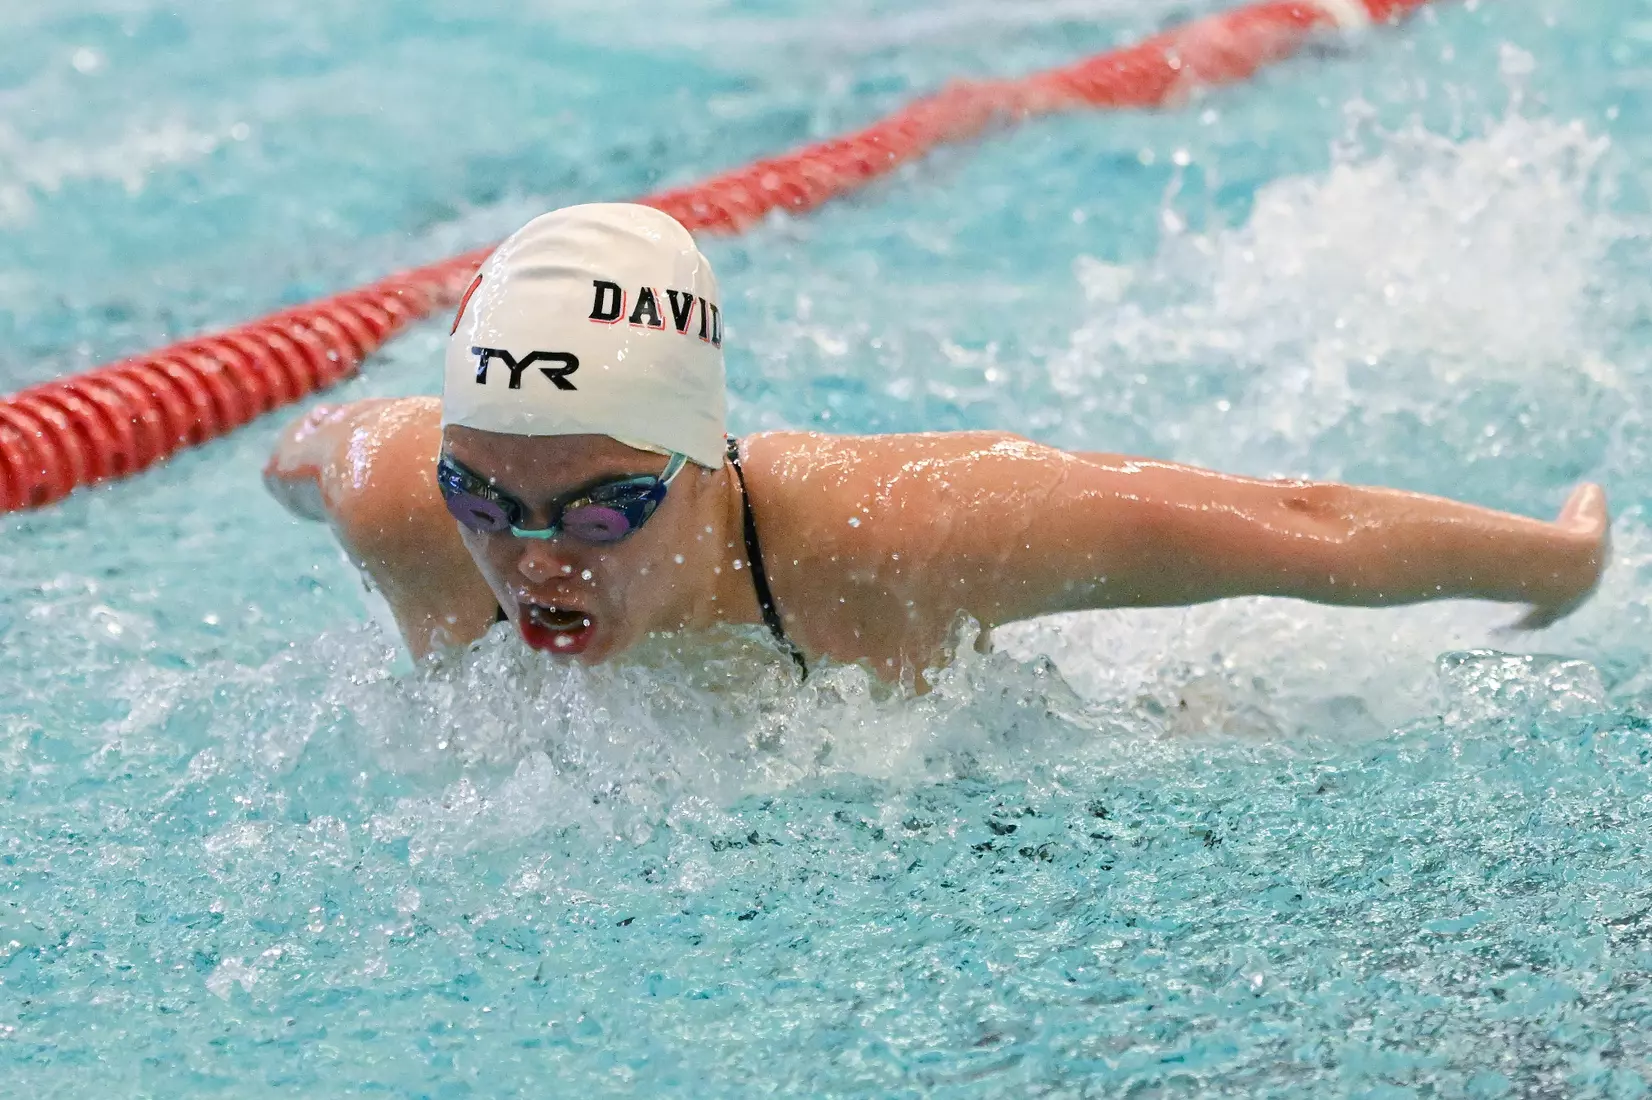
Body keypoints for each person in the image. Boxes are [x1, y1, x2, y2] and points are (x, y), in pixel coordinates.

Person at [263, 203, 1610, 682]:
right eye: (486, 497)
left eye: (605, 508)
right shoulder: (399, 500)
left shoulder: (901, 533)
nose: (534, 556)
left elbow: (1295, 525)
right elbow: (302, 458)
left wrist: (1554, 567)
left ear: (701, 462)